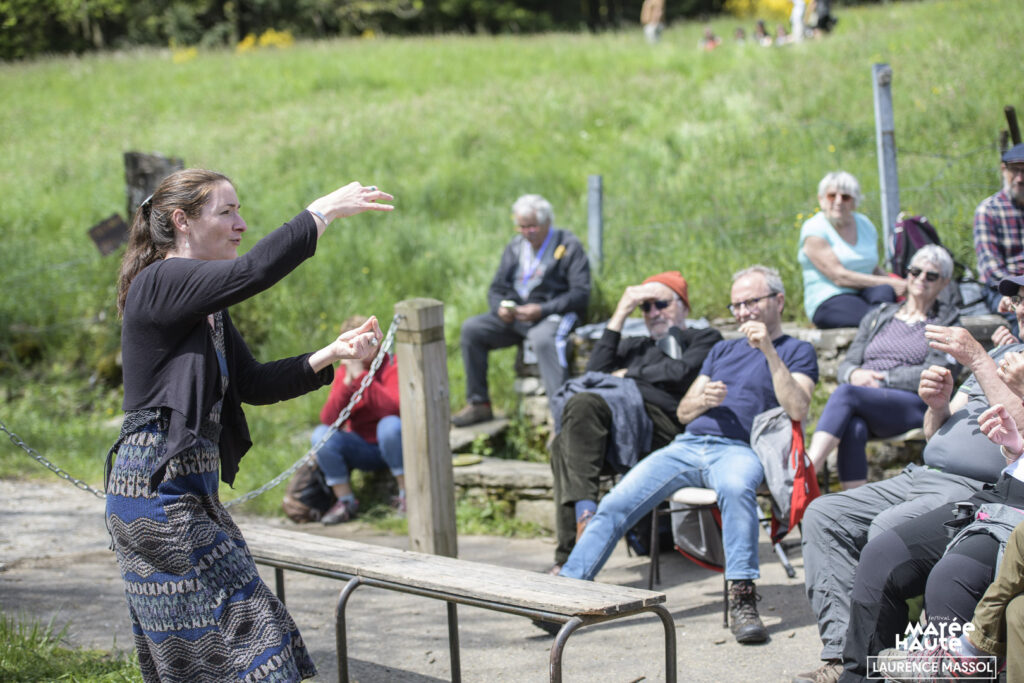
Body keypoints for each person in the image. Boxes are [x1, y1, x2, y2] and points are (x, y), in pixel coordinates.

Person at [105, 168, 393, 682]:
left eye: (239, 211)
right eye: (226, 212)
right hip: (155, 494)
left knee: (223, 654)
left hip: (190, 492)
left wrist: (333, 353)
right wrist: (322, 211)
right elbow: (254, 271)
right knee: (251, 640)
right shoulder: (161, 282)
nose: (240, 224)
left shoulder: (207, 310)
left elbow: (253, 384)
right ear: (182, 221)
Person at [550, 265, 818, 644]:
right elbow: (684, 411)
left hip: (740, 450)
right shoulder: (723, 350)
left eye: (751, 302)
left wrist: (770, 353)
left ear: (778, 301)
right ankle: (566, 595)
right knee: (616, 502)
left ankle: (742, 599)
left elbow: (798, 408)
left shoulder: (798, 351)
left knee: (736, 490)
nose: (743, 312)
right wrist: (702, 399)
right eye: (737, 305)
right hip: (688, 445)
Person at [794, 298, 1024, 683]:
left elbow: (1016, 424)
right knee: (841, 526)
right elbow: (937, 433)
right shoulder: (1005, 353)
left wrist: (978, 359)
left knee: (930, 564)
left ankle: (943, 663)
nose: (1018, 307)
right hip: (937, 475)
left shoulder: (992, 358)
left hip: (978, 489)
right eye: (1017, 299)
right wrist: (937, 406)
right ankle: (852, 670)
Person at [546, 271, 722, 573]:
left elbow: (680, 372)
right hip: (621, 430)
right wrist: (621, 312)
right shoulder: (635, 345)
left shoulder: (703, 338)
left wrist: (628, 375)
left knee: (579, 416)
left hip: (665, 427)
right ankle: (579, 538)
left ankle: (571, 554)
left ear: (684, 306)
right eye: (645, 307)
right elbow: (593, 375)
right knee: (565, 437)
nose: (653, 313)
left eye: (661, 304)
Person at [805, 245, 959, 490]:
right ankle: (853, 505)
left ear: (944, 283)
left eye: (931, 276)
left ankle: (807, 471)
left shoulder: (945, 323)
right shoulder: (879, 315)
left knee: (846, 393)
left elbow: (937, 372)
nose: (921, 279)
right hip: (867, 400)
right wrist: (854, 374)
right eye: (915, 271)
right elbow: (847, 365)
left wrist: (883, 379)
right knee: (854, 425)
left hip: (914, 404)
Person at [452, 194, 590, 427]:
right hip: (517, 316)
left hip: (552, 315)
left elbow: (581, 294)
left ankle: (561, 420)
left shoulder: (568, 245)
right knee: (472, 330)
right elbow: (496, 288)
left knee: (543, 341)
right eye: (522, 227)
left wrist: (542, 309)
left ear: (547, 222)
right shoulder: (515, 247)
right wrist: (500, 308)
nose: (527, 232)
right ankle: (479, 403)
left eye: (532, 226)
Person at [313, 314, 403, 525]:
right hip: (361, 447)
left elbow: (392, 409)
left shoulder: (391, 363)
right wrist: (347, 383)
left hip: (394, 444)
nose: (360, 350)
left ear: (375, 342)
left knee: (389, 425)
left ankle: (406, 495)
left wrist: (361, 377)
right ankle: (345, 502)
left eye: (365, 343)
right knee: (320, 435)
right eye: (355, 345)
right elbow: (329, 419)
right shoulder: (346, 371)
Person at [799, 170, 906, 329]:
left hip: (866, 292)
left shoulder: (865, 224)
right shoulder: (814, 229)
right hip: (832, 296)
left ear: (854, 202)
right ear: (821, 200)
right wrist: (890, 282)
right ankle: (883, 324)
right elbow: (839, 276)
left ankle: (885, 320)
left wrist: (899, 284)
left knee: (885, 292)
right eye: (832, 196)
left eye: (845, 197)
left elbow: (871, 267)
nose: (838, 201)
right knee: (877, 315)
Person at [974, 142, 1024, 329]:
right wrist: (1018, 291)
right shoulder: (989, 210)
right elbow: (992, 270)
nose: (1020, 178)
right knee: (1018, 313)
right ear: (1004, 170)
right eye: (1015, 170)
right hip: (1003, 287)